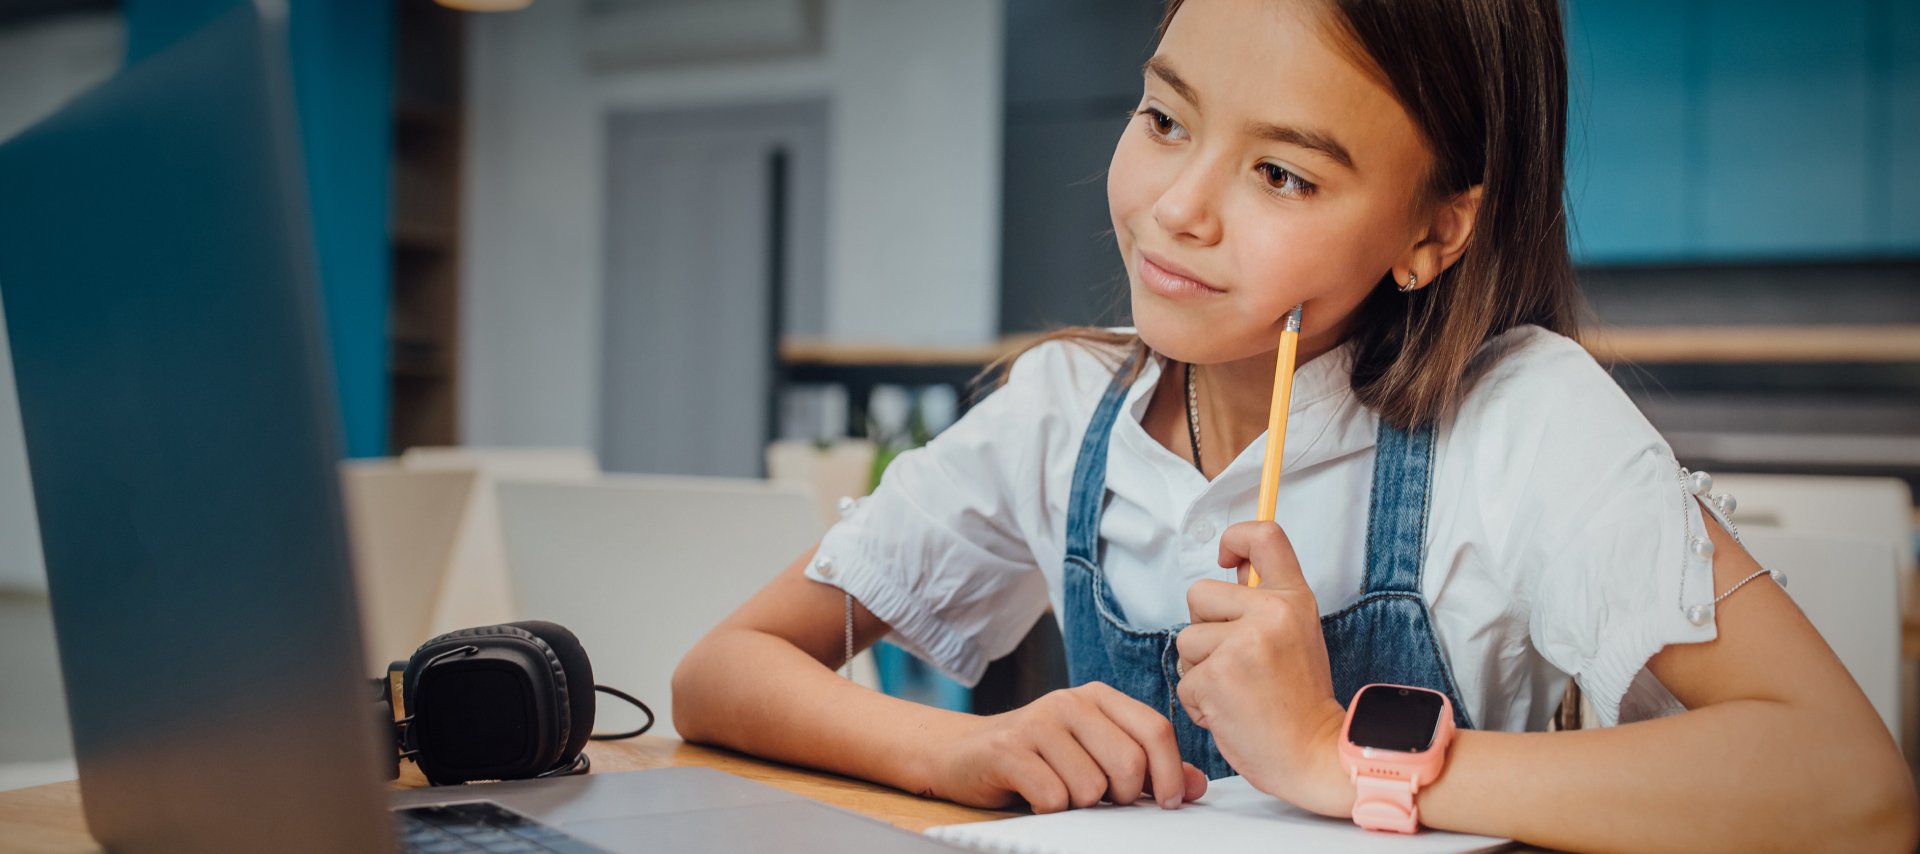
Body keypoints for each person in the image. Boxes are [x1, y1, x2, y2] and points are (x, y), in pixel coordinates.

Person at [673, 0, 1919, 849]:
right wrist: (965, 749)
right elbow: (721, 673)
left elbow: (1851, 788)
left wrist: (1338, 751)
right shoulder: (1063, 416)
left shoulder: (1518, 422)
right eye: (1164, 118)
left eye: (1284, 174)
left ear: (1437, 229)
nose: (1179, 209)